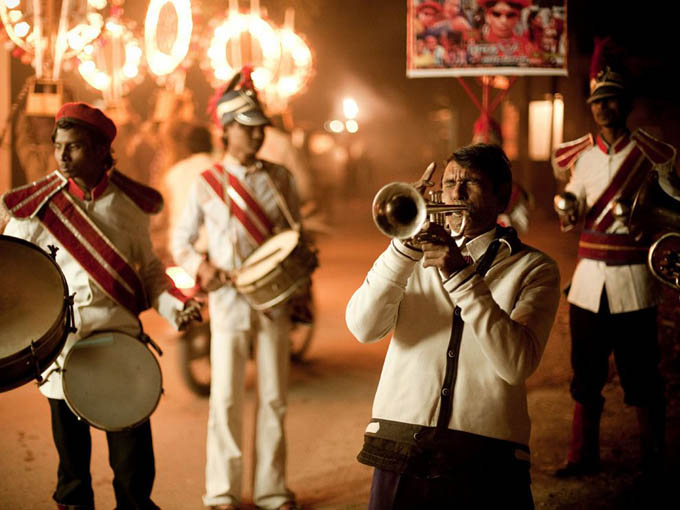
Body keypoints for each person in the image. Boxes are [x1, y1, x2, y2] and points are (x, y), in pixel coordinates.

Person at [1, 102, 202, 510]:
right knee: (73, 471)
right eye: (58, 146)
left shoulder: (129, 208)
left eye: (73, 147)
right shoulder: (37, 207)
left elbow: (149, 274)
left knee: (133, 466)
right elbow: (13, 272)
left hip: (120, 344)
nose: (61, 156)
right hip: (65, 350)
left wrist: (175, 307)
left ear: (99, 151)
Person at [346, 143, 561, 509]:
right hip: (402, 446)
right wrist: (400, 251)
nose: (456, 193)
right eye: (449, 183)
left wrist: (460, 274)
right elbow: (363, 328)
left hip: (488, 454)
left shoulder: (535, 269)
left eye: (471, 183)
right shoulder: (409, 257)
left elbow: (516, 365)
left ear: (502, 197)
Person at [171, 69, 304, 510]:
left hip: (273, 301)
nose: (257, 135)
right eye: (247, 128)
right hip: (228, 302)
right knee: (225, 399)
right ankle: (222, 493)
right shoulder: (207, 183)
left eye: (260, 127)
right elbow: (181, 241)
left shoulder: (281, 178)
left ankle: (271, 489)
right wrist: (201, 266)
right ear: (225, 131)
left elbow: (292, 232)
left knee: (274, 398)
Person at [551, 48, 679, 478]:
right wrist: (567, 211)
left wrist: (652, 214)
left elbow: (673, 205)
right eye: (598, 101)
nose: (605, 107)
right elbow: (573, 208)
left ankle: (654, 459)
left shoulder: (652, 153)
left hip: (634, 281)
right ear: (591, 108)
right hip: (588, 282)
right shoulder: (580, 157)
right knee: (584, 374)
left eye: (612, 99)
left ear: (626, 104)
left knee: (642, 376)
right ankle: (581, 456)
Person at [471, 0, 540, 65]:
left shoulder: (528, 47)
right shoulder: (476, 46)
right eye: (497, 14)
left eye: (510, 15)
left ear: (518, 18)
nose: (504, 21)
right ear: (487, 17)